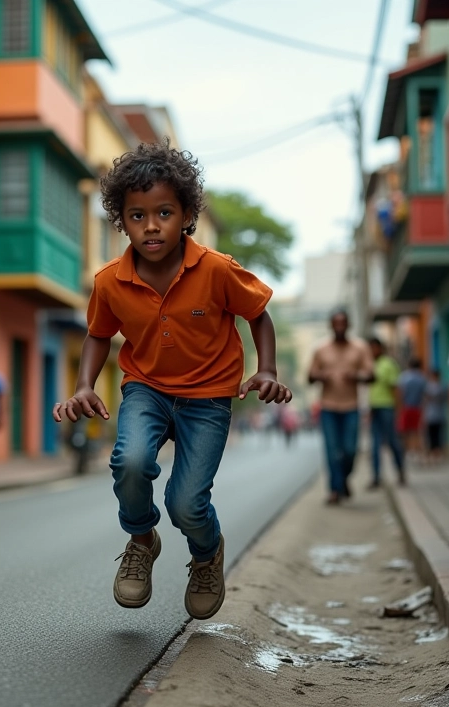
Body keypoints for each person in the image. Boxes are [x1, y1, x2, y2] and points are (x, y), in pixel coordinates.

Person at [52, 140, 291, 621]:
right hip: (146, 388)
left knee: (187, 504)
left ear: (186, 214)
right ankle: (142, 538)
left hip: (209, 398)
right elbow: (98, 335)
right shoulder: (108, 282)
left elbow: (258, 314)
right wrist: (83, 385)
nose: (151, 225)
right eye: (136, 216)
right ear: (122, 222)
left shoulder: (217, 269)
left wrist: (266, 368)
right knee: (131, 461)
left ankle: (206, 554)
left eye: (163, 212)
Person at [308, 310, 375, 505]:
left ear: (348, 325)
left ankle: (344, 478)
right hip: (328, 407)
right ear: (330, 325)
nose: (339, 327)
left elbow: (371, 375)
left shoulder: (360, 347)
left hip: (351, 407)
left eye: (343, 323)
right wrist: (321, 376)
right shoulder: (320, 349)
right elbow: (310, 377)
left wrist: (355, 376)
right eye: (336, 323)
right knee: (331, 450)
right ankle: (335, 489)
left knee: (350, 449)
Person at [367, 338, 405, 489]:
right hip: (374, 408)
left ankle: (400, 469)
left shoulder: (388, 364)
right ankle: (376, 477)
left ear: (380, 348)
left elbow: (395, 388)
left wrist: (398, 409)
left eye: (374, 348)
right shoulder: (369, 364)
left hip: (387, 407)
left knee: (392, 441)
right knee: (375, 444)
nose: (372, 351)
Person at [397, 358, 428, 457]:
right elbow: (425, 395)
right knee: (416, 431)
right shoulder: (422, 378)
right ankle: (416, 451)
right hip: (417, 408)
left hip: (406, 407)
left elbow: (400, 393)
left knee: (405, 430)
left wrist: (398, 407)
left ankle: (407, 450)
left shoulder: (404, 377)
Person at [423, 368, 448, 463]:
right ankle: (436, 452)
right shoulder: (442, 386)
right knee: (435, 435)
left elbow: (426, 398)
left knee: (434, 435)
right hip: (436, 414)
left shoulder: (430, 387)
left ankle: (435, 452)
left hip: (433, 414)